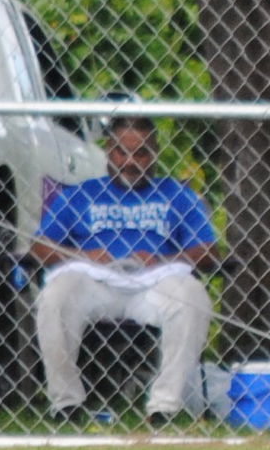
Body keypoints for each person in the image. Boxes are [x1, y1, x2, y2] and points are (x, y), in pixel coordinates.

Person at [30, 116, 218, 428]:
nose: (131, 161)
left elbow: (209, 252)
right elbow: (38, 246)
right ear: (108, 150)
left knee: (192, 296)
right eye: (122, 152)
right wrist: (84, 255)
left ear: (155, 152)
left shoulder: (176, 194)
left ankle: (164, 408)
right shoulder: (82, 193)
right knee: (55, 296)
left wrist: (163, 259)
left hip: (154, 282)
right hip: (93, 278)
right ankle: (66, 404)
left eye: (141, 153)